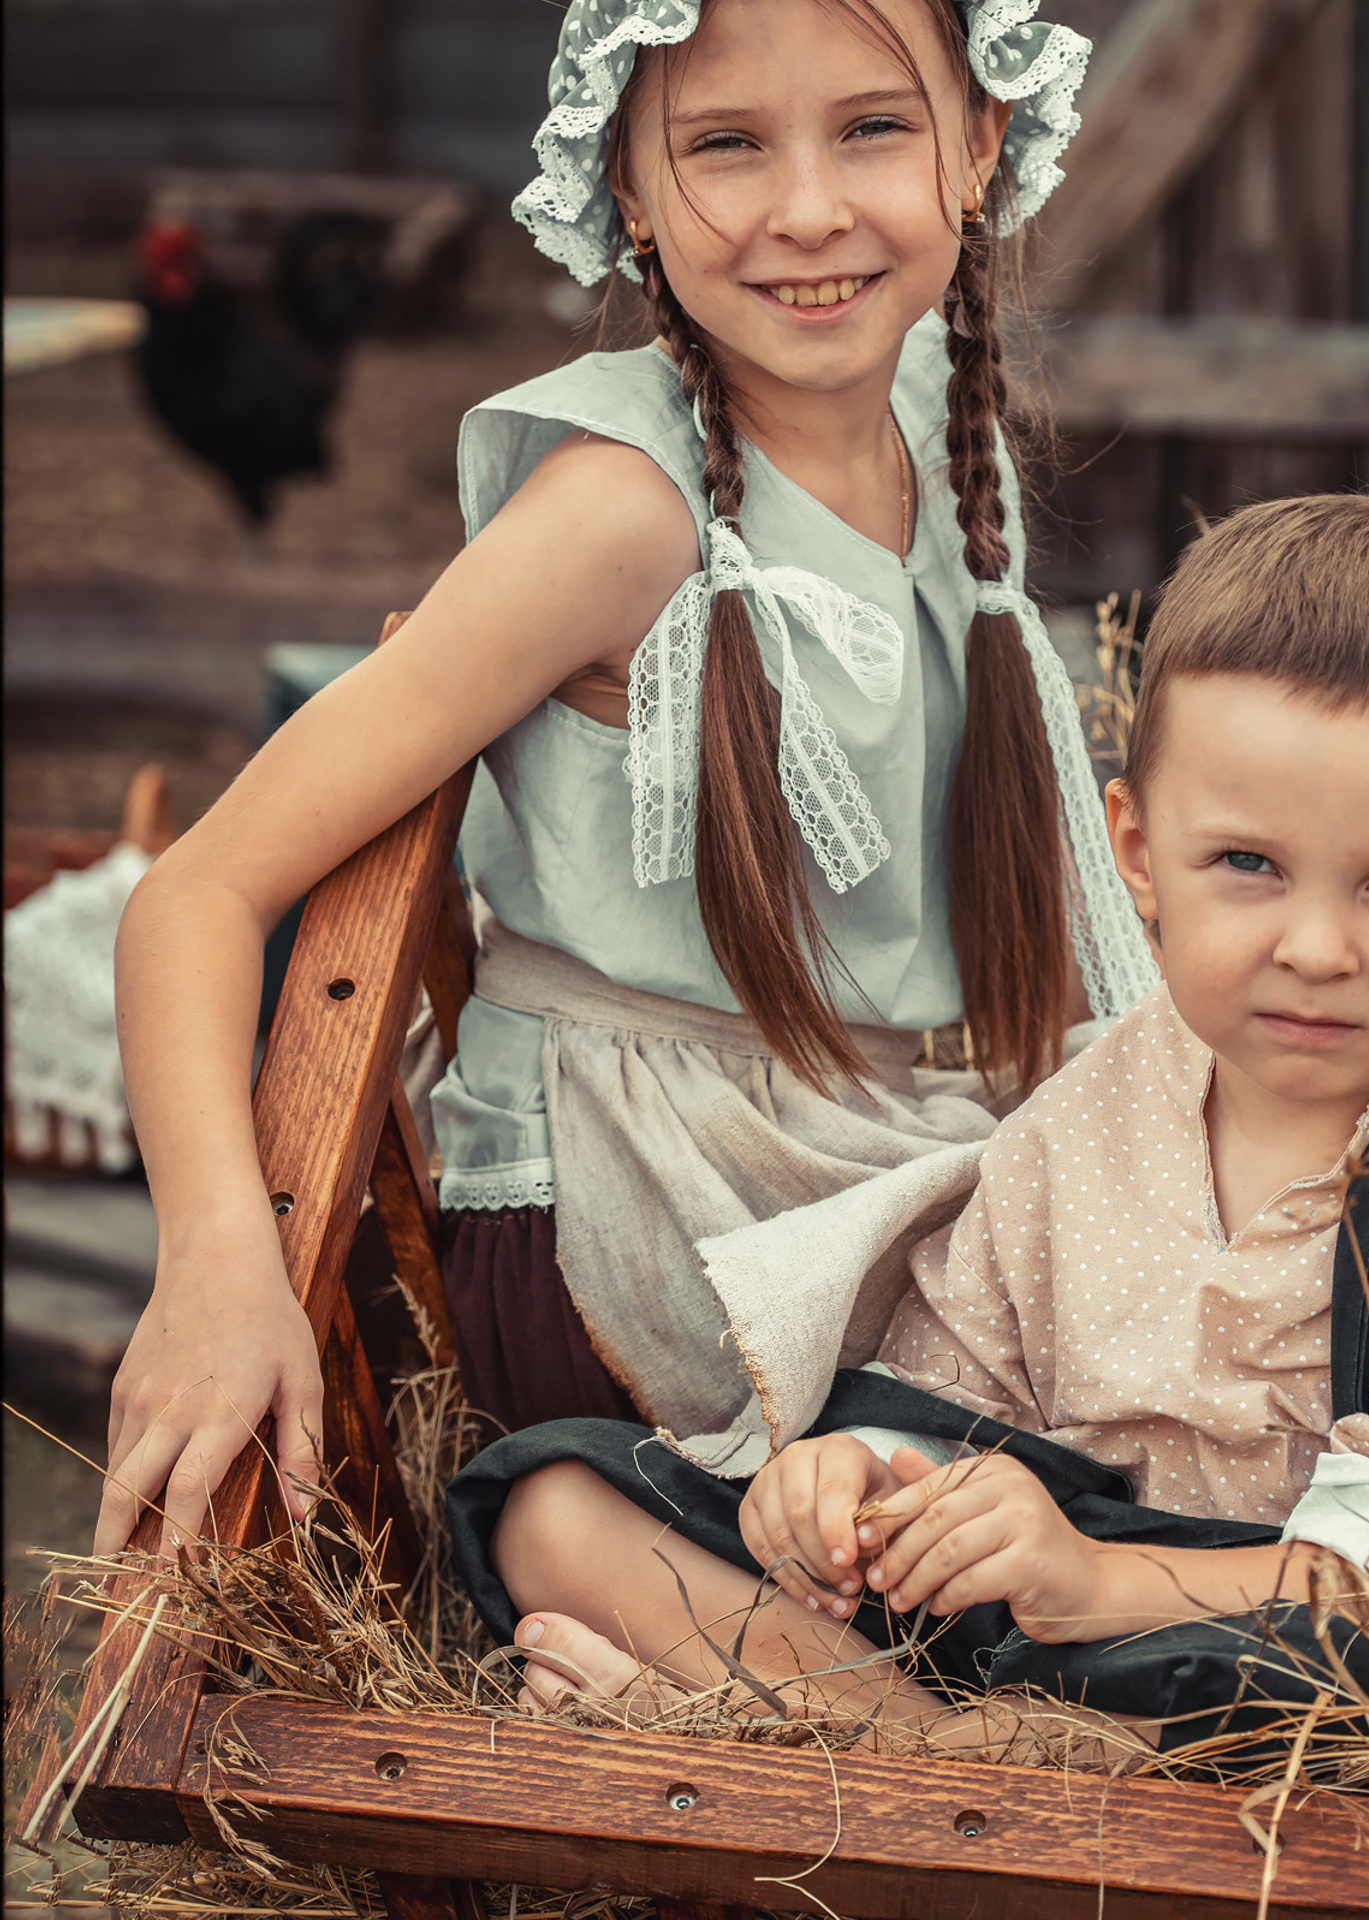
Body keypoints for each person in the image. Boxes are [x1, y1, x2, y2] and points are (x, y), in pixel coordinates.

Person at [95, 0, 1156, 1557]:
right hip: (658, 1223)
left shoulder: (938, 417)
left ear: (981, 143)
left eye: (872, 126)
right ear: (634, 195)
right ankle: (880, 1692)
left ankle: (688, 1637)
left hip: (861, 1156)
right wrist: (214, 1257)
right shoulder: (619, 515)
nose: (808, 208)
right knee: (1136, 1414)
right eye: (725, 143)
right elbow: (194, 894)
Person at [443, 494, 1369, 1769]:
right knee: (551, 1506)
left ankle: (790, 1742)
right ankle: (933, 1756)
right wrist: (855, 1490)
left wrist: (1094, 1583)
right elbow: (951, 1398)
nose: (1316, 948)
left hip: (1257, 1654)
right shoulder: (1094, 1106)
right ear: (1139, 851)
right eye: (1247, 865)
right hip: (1023, 1623)